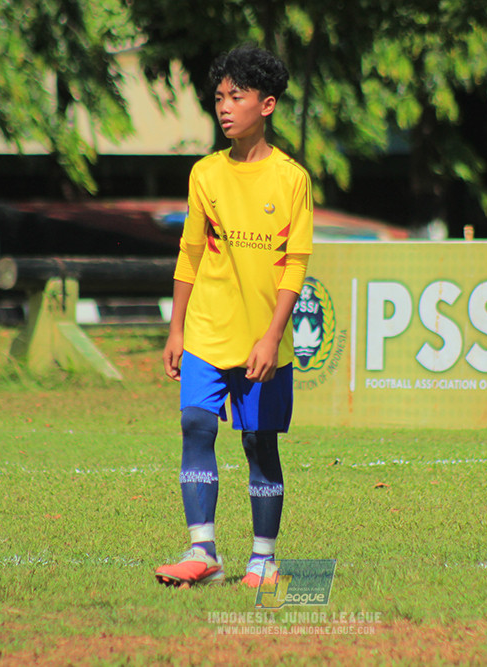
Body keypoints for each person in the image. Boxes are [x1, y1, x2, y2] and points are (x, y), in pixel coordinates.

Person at [155, 45, 313, 589]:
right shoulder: (205, 174)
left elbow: (295, 265)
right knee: (195, 425)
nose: (224, 107)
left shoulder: (291, 179)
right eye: (219, 97)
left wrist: (272, 337)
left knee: (258, 443)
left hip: (260, 341)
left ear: (266, 105)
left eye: (236, 97)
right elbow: (190, 254)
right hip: (206, 330)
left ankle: (262, 559)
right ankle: (203, 551)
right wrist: (177, 328)